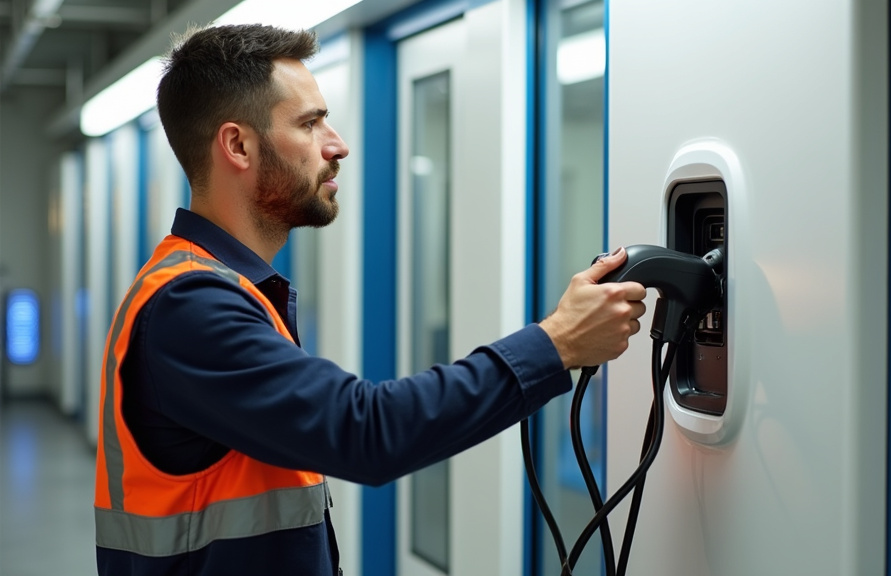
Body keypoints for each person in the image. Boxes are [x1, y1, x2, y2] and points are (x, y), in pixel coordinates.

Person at [93, 23, 647, 576]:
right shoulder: (190, 304)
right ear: (238, 145)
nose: (337, 145)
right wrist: (557, 343)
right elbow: (366, 433)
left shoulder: (221, 288)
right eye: (309, 123)